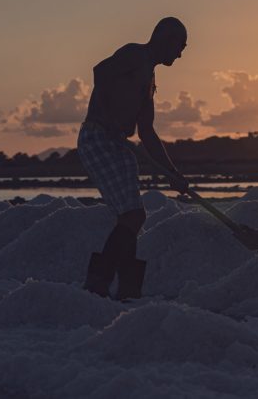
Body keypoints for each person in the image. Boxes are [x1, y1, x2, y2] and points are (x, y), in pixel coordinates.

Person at [77, 17, 189, 300]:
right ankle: (98, 284)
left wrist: (172, 173)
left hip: (118, 145)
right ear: (165, 39)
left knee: (131, 218)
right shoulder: (134, 55)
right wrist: (107, 117)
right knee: (133, 215)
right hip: (99, 137)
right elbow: (100, 73)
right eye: (180, 46)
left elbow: (147, 132)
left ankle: (127, 288)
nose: (180, 54)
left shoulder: (150, 80)